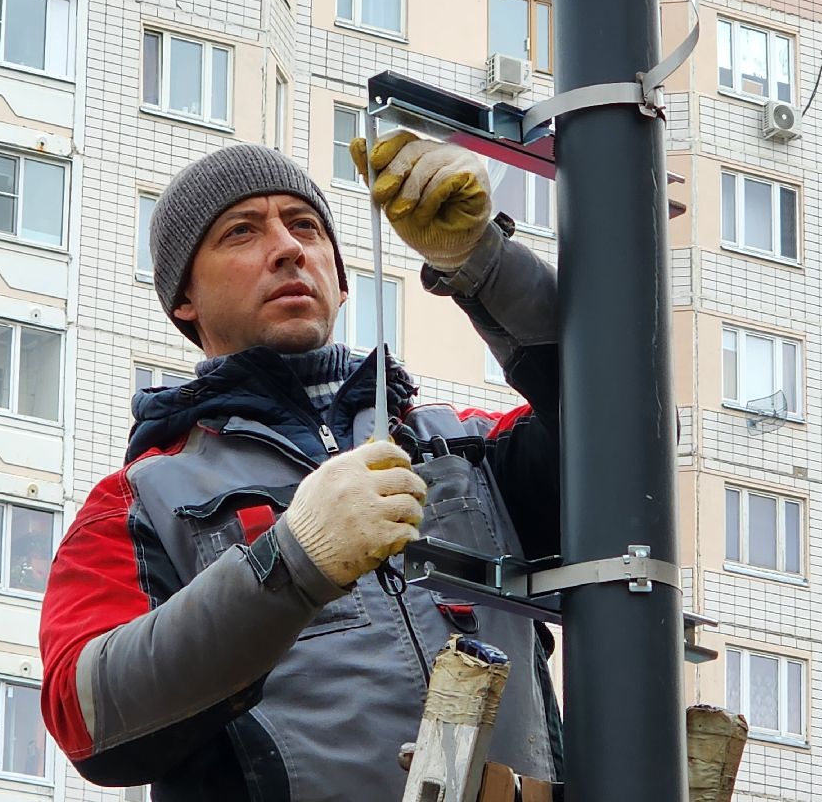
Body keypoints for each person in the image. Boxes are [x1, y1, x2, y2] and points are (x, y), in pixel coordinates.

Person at [39, 135, 563, 801]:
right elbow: (87, 716)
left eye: (306, 225)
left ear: (341, 281)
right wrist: (291, 562)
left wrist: (486, 264)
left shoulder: (465, 448)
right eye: (241, 231)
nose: (288, 247)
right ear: (183, 300)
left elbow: (626, 439)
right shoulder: (142, 500)